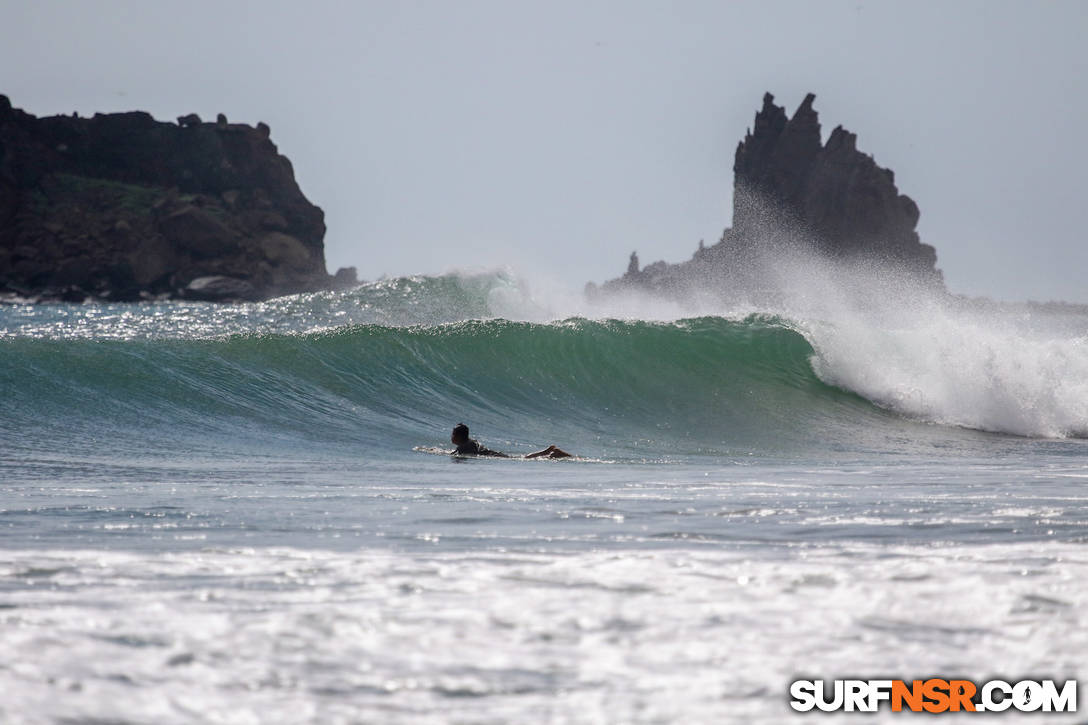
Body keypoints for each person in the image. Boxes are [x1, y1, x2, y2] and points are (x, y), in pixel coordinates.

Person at [450, 423, 572, 459]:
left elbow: (460, 453)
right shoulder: (468, 443)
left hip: (496, 456)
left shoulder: (464, 446)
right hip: (496, 454)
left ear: (460, 436)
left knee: (523, 458)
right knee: (523, 457)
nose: (451, 436)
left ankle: (552, 455)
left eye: (453, 434)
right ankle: (548, 451)